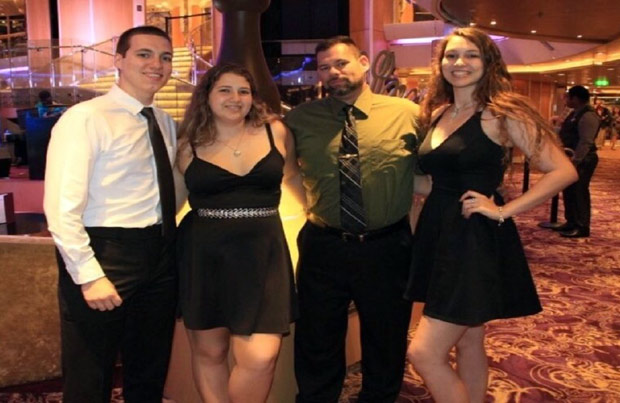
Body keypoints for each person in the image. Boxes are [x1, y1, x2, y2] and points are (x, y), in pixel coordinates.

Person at [404, 27, 577, 403]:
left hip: (472, 237)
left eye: (471, 55)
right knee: (469, 338)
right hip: (439, 230)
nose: (459, 63)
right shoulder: (440, 112)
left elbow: (563, 170)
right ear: (440, 64)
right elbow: (437, 183)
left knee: (424, 353)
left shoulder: (501, 113)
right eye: (451, 55)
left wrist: (502, 210)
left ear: (488, 62)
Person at [44, 26, 178, 403]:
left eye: (165, 57)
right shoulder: (86, 118)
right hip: (105, 252)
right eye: (144, 54)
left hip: (159, 252)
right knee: (90, 372)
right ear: (119, 60)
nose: (157, 64)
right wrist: (89, 275)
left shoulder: (164, 121)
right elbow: (61, 206)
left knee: (149, 369)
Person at [284, 36, 420, 403]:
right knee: (317, 337)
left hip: (387, 245)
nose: (333, 72)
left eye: (341, 63)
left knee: (386, 335)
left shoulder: (407, 114)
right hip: (323, 244)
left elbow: (431, 170)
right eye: (324, 67)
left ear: (363, 62)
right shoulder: (299, 119)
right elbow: (285, 171)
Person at [175, 63, 302, 403]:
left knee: (261, 357)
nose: (235, 98)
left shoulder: (275, 131)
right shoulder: (187, 144)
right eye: (225, 90)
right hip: (204, 255)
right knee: (210, 352)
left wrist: (317, 220)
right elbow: (170, 203)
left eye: (243, 91)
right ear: (206, 96)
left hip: (264, 255)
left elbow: (293, 178)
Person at [553, 85, 600, 238]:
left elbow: (585, 142)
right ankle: (571, 221)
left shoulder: (588, 115)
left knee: (579, 191)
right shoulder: (575, 113)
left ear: (576, 98)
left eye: (568, 97)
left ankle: (582, 226)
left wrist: (576, 161)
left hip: (583, 159)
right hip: (570, 158)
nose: (566, 100)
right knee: (569, 191)